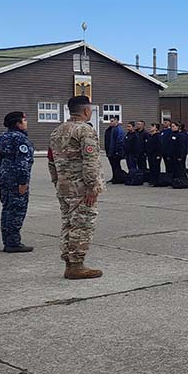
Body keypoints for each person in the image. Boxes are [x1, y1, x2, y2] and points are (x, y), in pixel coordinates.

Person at [48, 96, 104, 279]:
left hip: (64, 187)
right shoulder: (85, 130)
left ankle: (68, 262)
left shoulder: (57, 131)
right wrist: (92, 187)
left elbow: (51, 160)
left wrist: (57, 181)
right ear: (86, 111)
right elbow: (90, 161)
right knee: (82, 224)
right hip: (80, 187)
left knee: (68, 223)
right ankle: (76, 265)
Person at [0, 111, 34, 253]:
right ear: (18, 123)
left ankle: (8, 240)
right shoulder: (20, 139)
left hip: (4, 177)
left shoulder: (2, 138)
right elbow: (22, 162)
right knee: (17, 211)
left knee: (7, 209)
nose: (26, 122)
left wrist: (0, 175)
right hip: (16, 180)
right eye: (24, 120)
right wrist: (23, 182)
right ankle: (13, 243)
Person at [104, 116, 126, 184]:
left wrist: (117, 151)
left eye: (112, 121)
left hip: (115, 152)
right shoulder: (111, 129)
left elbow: (120, 141)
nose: (111, 122)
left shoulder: (118, 130)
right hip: (110, 151)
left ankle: (118, 178)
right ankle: (114, 177)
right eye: (110, 121)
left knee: (116, 165)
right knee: (113, 165)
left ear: (117, 121)